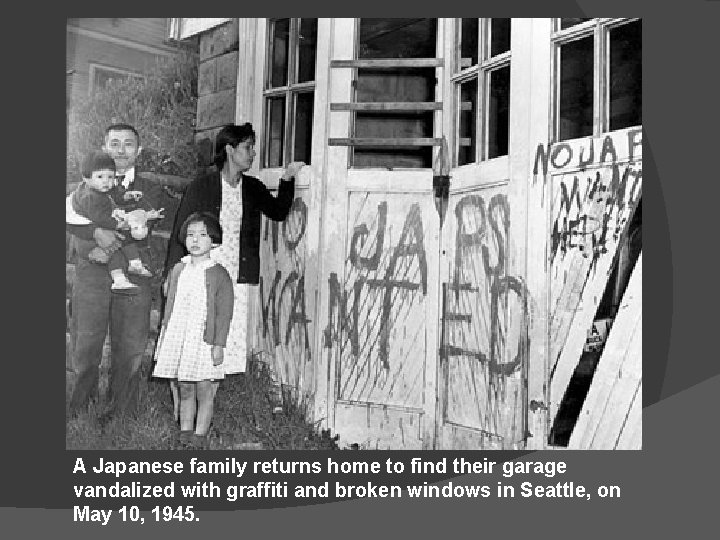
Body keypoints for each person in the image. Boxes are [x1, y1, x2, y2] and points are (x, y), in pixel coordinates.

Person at [164, 123, 304, 417]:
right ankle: (181, 402)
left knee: (223, 341)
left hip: (235, 282)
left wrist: (288, 178)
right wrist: (171, 276)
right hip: (199, 277)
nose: (253, 153)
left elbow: (278, 211)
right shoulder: (203, 186)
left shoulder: (252, 187)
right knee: (192, 338)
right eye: (248, 147)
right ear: (229, 149)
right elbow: (181, 230)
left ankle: (205, 412)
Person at [67, 123, 163, 419]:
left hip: (132, 271)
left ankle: (121, 410)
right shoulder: (82, 187)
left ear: (139, 151)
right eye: (114, 143)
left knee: (131, 344)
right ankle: (79, 406)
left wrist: (113, 237)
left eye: (128, 144)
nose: (121, 150)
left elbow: (142, 231)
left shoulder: (149, 190)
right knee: (86, 341)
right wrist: (95, 232)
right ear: (104, 147)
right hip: (92, 273)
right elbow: (68, 217)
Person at [153, 212, 234, 447]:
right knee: (185, 386)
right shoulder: (179, 269)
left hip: (203, 340)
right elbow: (171, 304)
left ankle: (200, 434)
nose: (195, 240)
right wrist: (167, 334)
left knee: (204, 388)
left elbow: (224, 314)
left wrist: (218, 345)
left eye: (202, 235)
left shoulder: (219, 274)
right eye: (190, 235)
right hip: (180, 336)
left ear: (215, 241)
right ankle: (185, 431)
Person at [70, 150, 164, 292]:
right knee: (116, 250)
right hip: (90, 237)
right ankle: (119, 279)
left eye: (110, 177)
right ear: (86, 178)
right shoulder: (88, 197)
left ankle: (134, 263)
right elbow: (98, 217)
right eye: (100, 176)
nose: (106, 181)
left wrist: (127, 196)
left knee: (124, 238)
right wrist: (117, 223)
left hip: (105, 225)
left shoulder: (102, 188)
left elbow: (115, 195)